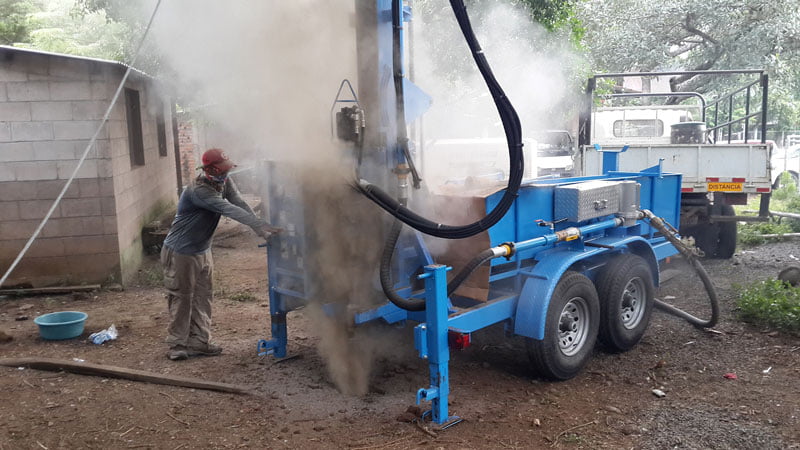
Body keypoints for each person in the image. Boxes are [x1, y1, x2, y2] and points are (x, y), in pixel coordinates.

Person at [160, 148, 280, 361]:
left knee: (204, 296)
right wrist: (259, 224)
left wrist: (260, 229)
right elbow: (228, 209)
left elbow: (240, 203)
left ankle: (199, 342)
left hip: (202, 249)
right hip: (180, 252)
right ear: (211, 169)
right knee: (182, 298)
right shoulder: (199, 191)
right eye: (222, 169)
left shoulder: (223, 182)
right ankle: (177, 344)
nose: (226, 172)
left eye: (227, 168)